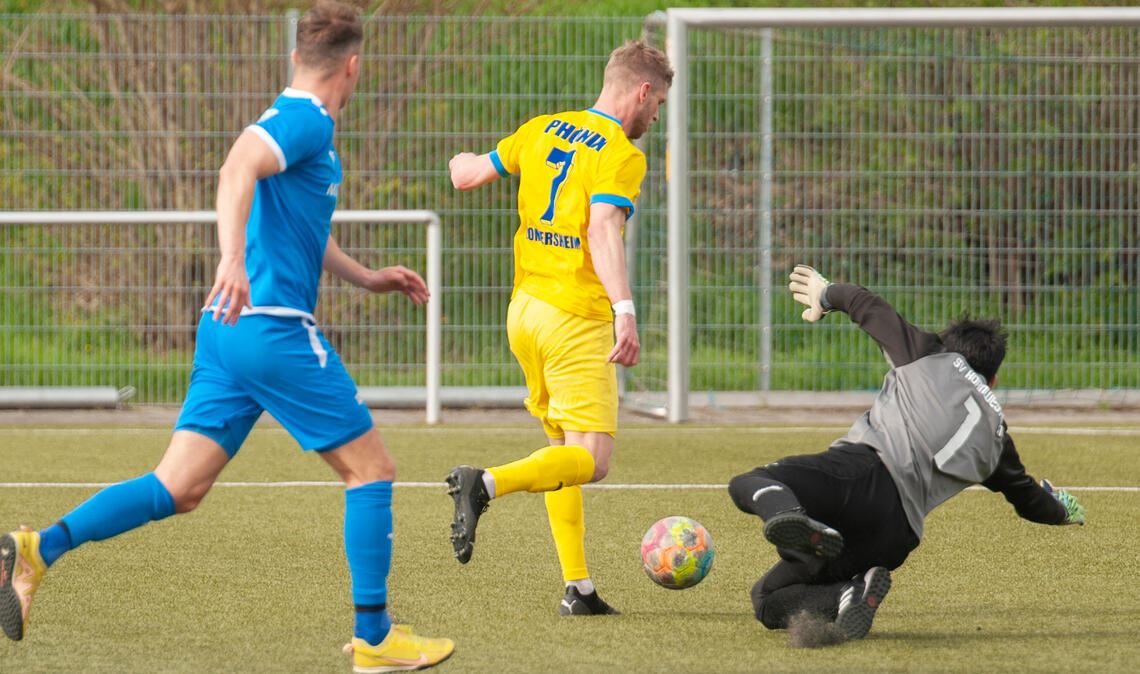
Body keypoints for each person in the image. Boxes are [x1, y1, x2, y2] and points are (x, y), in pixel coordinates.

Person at [0, 3, 455, 670]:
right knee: (372, 470)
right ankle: (378, 639)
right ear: (353, 66)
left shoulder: (303, 128)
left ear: (298, 57)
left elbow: (301, 228)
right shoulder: (304, 119)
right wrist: (232, 259)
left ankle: (38, 549)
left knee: (177, 487)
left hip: (226, 333)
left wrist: (366, 277)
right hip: (271, 330)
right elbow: (236, 168)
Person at [727, 264, 1086, 643]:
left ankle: (792, 519)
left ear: (951, 350)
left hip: (864, 474)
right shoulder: (998, 438)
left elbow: (865, 303)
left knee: (750, 481)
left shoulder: (929, 353)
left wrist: (824, 294)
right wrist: (1062, 509)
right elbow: (1030, 501)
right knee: (767, 599)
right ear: (993, 380)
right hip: (895, 534)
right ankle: (846, 594)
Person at [443, 40, 673, 615]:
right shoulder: (620, 152)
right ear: (642, 90)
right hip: (575, 318)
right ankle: (484, 483)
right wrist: (625, 309)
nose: (657, 117)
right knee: (592, 459)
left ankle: (579, 588)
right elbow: (602, 229)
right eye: (660, 104)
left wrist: (459, 159)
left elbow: (468, 177)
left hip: (524, 312)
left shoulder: (543, 128)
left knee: (561, 452)